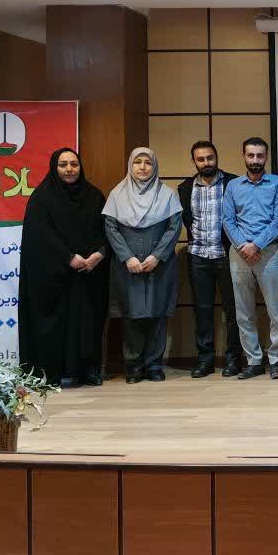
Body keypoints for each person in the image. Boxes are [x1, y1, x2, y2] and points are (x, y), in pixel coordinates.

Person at [18, 148, 108, 387]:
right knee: (54, 326)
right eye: (63, 164)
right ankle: (51, 373)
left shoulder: (94, 196)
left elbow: (106, 230)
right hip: (54, 277)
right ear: (54, 168)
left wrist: (99, 254)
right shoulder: (41, 198)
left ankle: (86, 371)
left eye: (74, 164)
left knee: (87, 323)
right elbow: (39, 237)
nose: (69, 169)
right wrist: (68, 257)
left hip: (88, 273)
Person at [102, 147, 184, 384]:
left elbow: (174, 228)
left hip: (159, 265)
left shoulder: (167, 195)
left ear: (154, 166)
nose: (142, 167)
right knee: (131, 314)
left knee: (158, 313)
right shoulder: (117, 194)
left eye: (148, 162)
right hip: (127, 265)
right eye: (137, 162)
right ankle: (134, 365)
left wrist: (156, 256)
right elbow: (110, 228)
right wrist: (127, 257)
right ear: (131, 165)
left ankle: (154, 364)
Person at [222, 137, 278, 380]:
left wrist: (256, 244)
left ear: (266, 156)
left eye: (260, 155)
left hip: (268, 252)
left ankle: (277, 359)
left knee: (275, 311)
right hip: (239, 253)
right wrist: (244, 246)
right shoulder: (233, 186)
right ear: (244, 156)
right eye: (251, 155)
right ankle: (254, 360)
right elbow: (227, 220)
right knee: (244, 311)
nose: (255, 160)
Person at [177, 141, 244, 378]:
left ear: (217, 157)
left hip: (227, 255)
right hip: (198, 256)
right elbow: (187, 220)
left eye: (210, 158)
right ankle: (205, 360)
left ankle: (233, 359)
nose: (206, 163)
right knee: (202, 311)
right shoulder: (185, 188)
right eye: (201, 159)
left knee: (233, 310)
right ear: (194, 161)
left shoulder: (233, 183)